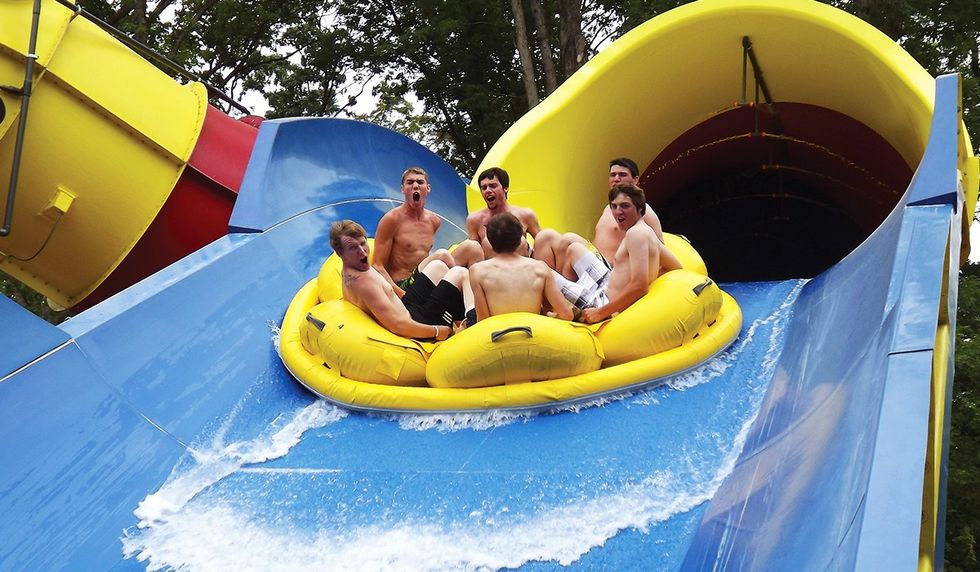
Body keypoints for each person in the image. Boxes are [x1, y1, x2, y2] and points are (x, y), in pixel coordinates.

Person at [553, 183, 682, 324]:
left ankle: (559, 312)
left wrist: (600, 313)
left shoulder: (636, 235)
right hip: (606, 285)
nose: (618, 212)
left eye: (625, 206)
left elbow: (640, 286)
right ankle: (567, 303)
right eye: (614, 206)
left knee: (544, 271)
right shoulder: (646, 232)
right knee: (575, 248)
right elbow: (676, 267)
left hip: (603, 303)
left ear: (640, 208)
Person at [331, 220, 472, 341]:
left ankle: (460, 317)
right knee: (460, 273)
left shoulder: (352, 267)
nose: (362, 252)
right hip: (417, 323)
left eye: (363, 243)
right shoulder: (363, 283)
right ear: (340, 253)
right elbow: (398, 325)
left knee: (438, 265)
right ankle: (474, 322)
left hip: (407, 307)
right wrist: (437, 331)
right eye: (353, 248)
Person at [536, 157, 669, 277]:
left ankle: (562, 287)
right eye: (613, 175)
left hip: (611, 268)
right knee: (545, 236)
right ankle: (547, 289)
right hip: (594, 256)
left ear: (635, 180)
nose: (616, 179)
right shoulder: (609, 207)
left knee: (569, 239)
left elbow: (659, 248)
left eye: (622, 175)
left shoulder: (644, 211)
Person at [468, 213, 574, 322]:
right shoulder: (540, 268)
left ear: (490, 241)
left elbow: (483, 321)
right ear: (520, 239)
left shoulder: (477, 271)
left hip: (499, 335)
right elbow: (566, 315)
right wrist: (549, 317)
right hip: (533, 333)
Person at [372, 167, 454, 298]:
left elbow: (421, 254)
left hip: (424, 280)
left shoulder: (434, 221)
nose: (415, 186)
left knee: (472, 248)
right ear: (402, 189)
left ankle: (474, 310)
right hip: (402, 285)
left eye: (420, 182)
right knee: (442, 255)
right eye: (410, 183)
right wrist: (401, 295)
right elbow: (377, 265)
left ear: (428, 188)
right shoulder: (392, 219)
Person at [452, 167, 546, 266]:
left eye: (493, 186)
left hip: (523, 268)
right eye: (484, 188)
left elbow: (542, 241)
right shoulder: (475, 219)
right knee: (478, 244)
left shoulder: (525, 215)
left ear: (505, 188)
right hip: (491, 271)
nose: (487, 190)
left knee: (543, 236)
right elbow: (474, 253)